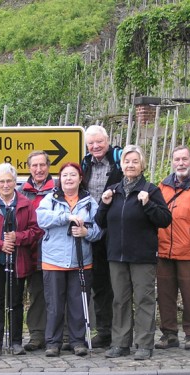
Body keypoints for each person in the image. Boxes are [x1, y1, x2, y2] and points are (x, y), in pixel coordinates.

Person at [96, 145, 171, 359]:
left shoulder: (150, 190)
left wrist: (148, 205)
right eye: (127, 161)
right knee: (119, 300)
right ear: (121, 165)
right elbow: (100, 221)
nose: (130, 165)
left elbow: (165, 220)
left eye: (135, 161)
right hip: (116, 255)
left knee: (144, 300)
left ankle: (144, 344)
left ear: (142, 165)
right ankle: (120, 343)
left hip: (142, 257)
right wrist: (104, 204)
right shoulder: (113, 191)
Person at [37, 162, 103, 357]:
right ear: (60, 178)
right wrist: (66, 217)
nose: (68, 179)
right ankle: (53, 342)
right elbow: (41, 219)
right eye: (65, 175)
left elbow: (99, 230)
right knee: (54, 305)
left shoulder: (90, 202)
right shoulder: (50, 199)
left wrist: (86, 232)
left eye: (73, 175)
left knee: (78, 304)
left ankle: (77, 341)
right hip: (53, 260)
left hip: (80, 260)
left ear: (80, 178)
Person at [0, 163, 41, 356]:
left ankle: (16, 341)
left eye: (9, 181)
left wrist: (17, 237)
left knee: (16, 302)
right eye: (1, 181)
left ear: (15, 182)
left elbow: (35, 230)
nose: (5, 185)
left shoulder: (25, 204)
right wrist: (0, 244)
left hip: (18, 260)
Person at [156, 145, 190, 350]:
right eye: (177, 159)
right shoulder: (162, 187)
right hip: (164, 249)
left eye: (184, 159)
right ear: (172, 162)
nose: (181, 163)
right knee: (165, 295)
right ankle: (169, 333)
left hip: (189, 249)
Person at [80, 125, 123, 348]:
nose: (96, 146)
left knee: (119, 284)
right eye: (91, 143)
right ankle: (105, 331)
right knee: (99, 284)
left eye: (99, 142)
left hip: (117, 229)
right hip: (93, 231)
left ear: (108, 141)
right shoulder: (85, 164)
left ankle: (122, 332)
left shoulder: (119, 161)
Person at [20, 151, 56, 351]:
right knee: (36, 294)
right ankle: (37, 334)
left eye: (42, 165)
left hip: (55, 251)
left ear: (48, 166)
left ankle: (62, 334)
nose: (39, 169)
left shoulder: (58, 189)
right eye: (35, 165)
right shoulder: (22, 192)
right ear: (29, 168)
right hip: (30, 251)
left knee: (58, 294)